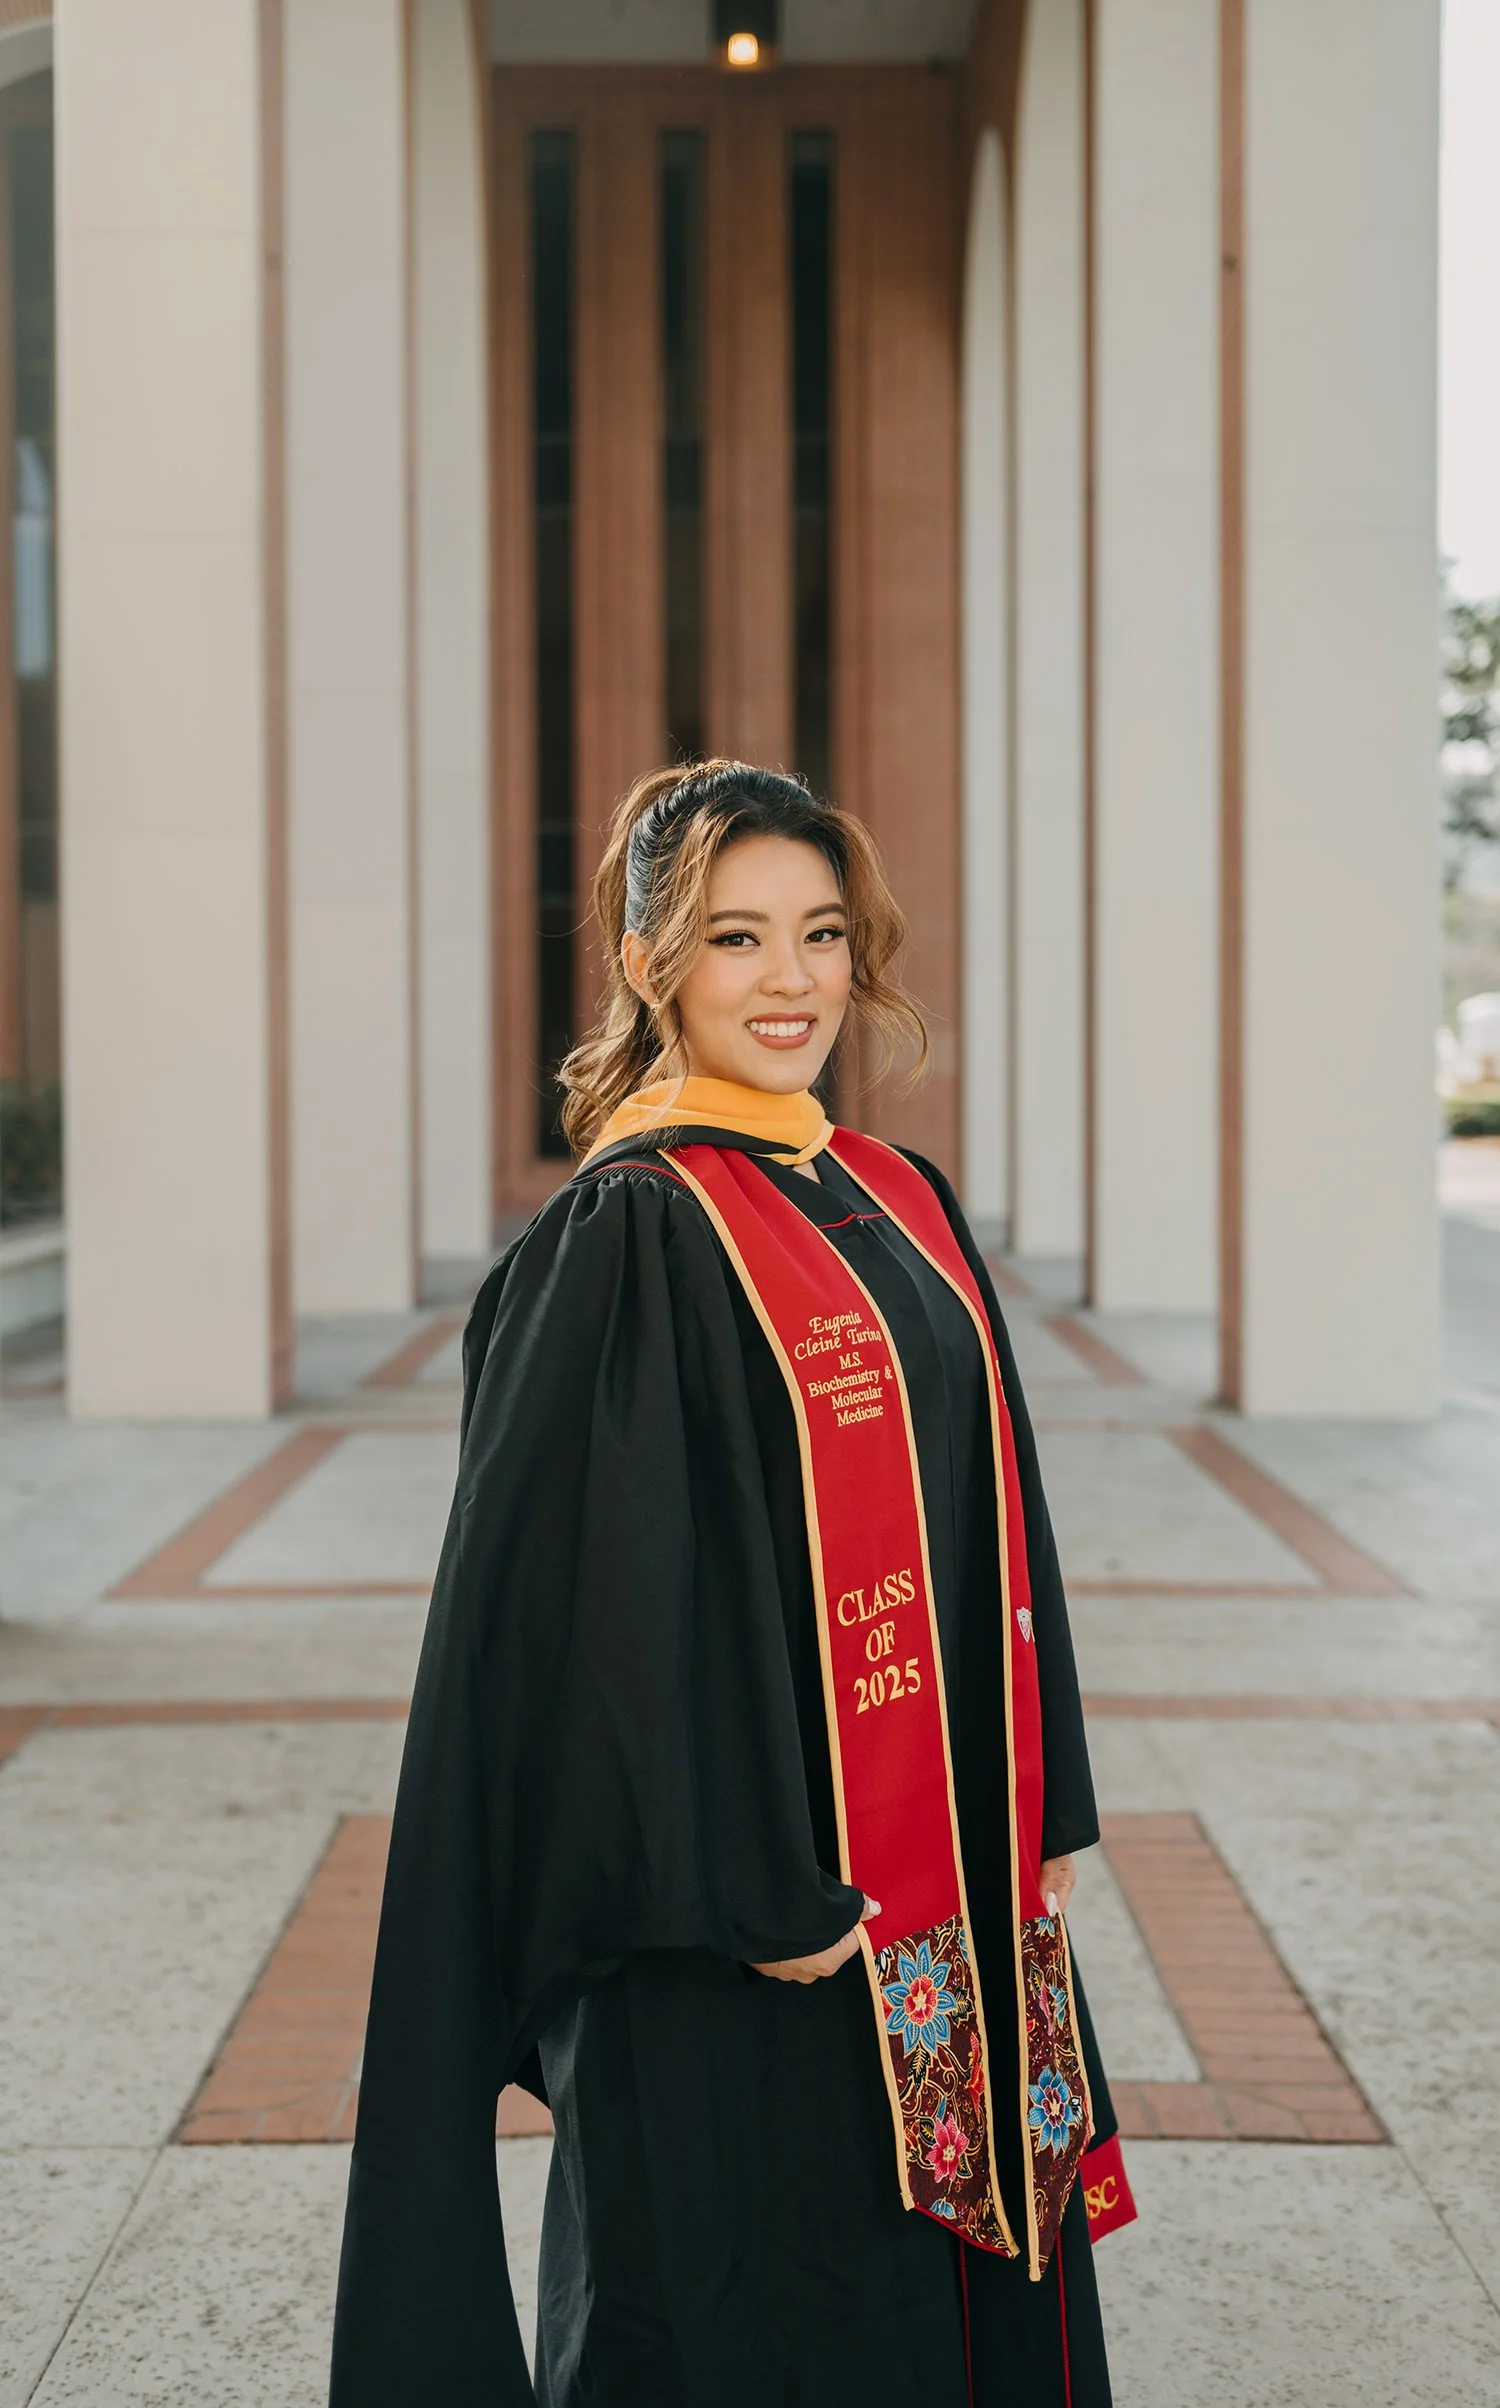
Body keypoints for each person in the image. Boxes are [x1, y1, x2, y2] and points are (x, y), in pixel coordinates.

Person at [329, 761, 1132, 2408]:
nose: (793, 982)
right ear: (651, 967)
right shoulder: (629, 1230)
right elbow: (587, 1622)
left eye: (823, 935)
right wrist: (754, 1882)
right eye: (737, 939)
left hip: (950, 1895)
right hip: (751, 1930)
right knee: (751, 2309)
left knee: (950, 2299)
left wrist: (1032, 1800)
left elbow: (998, 1508)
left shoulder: (898, 1196)